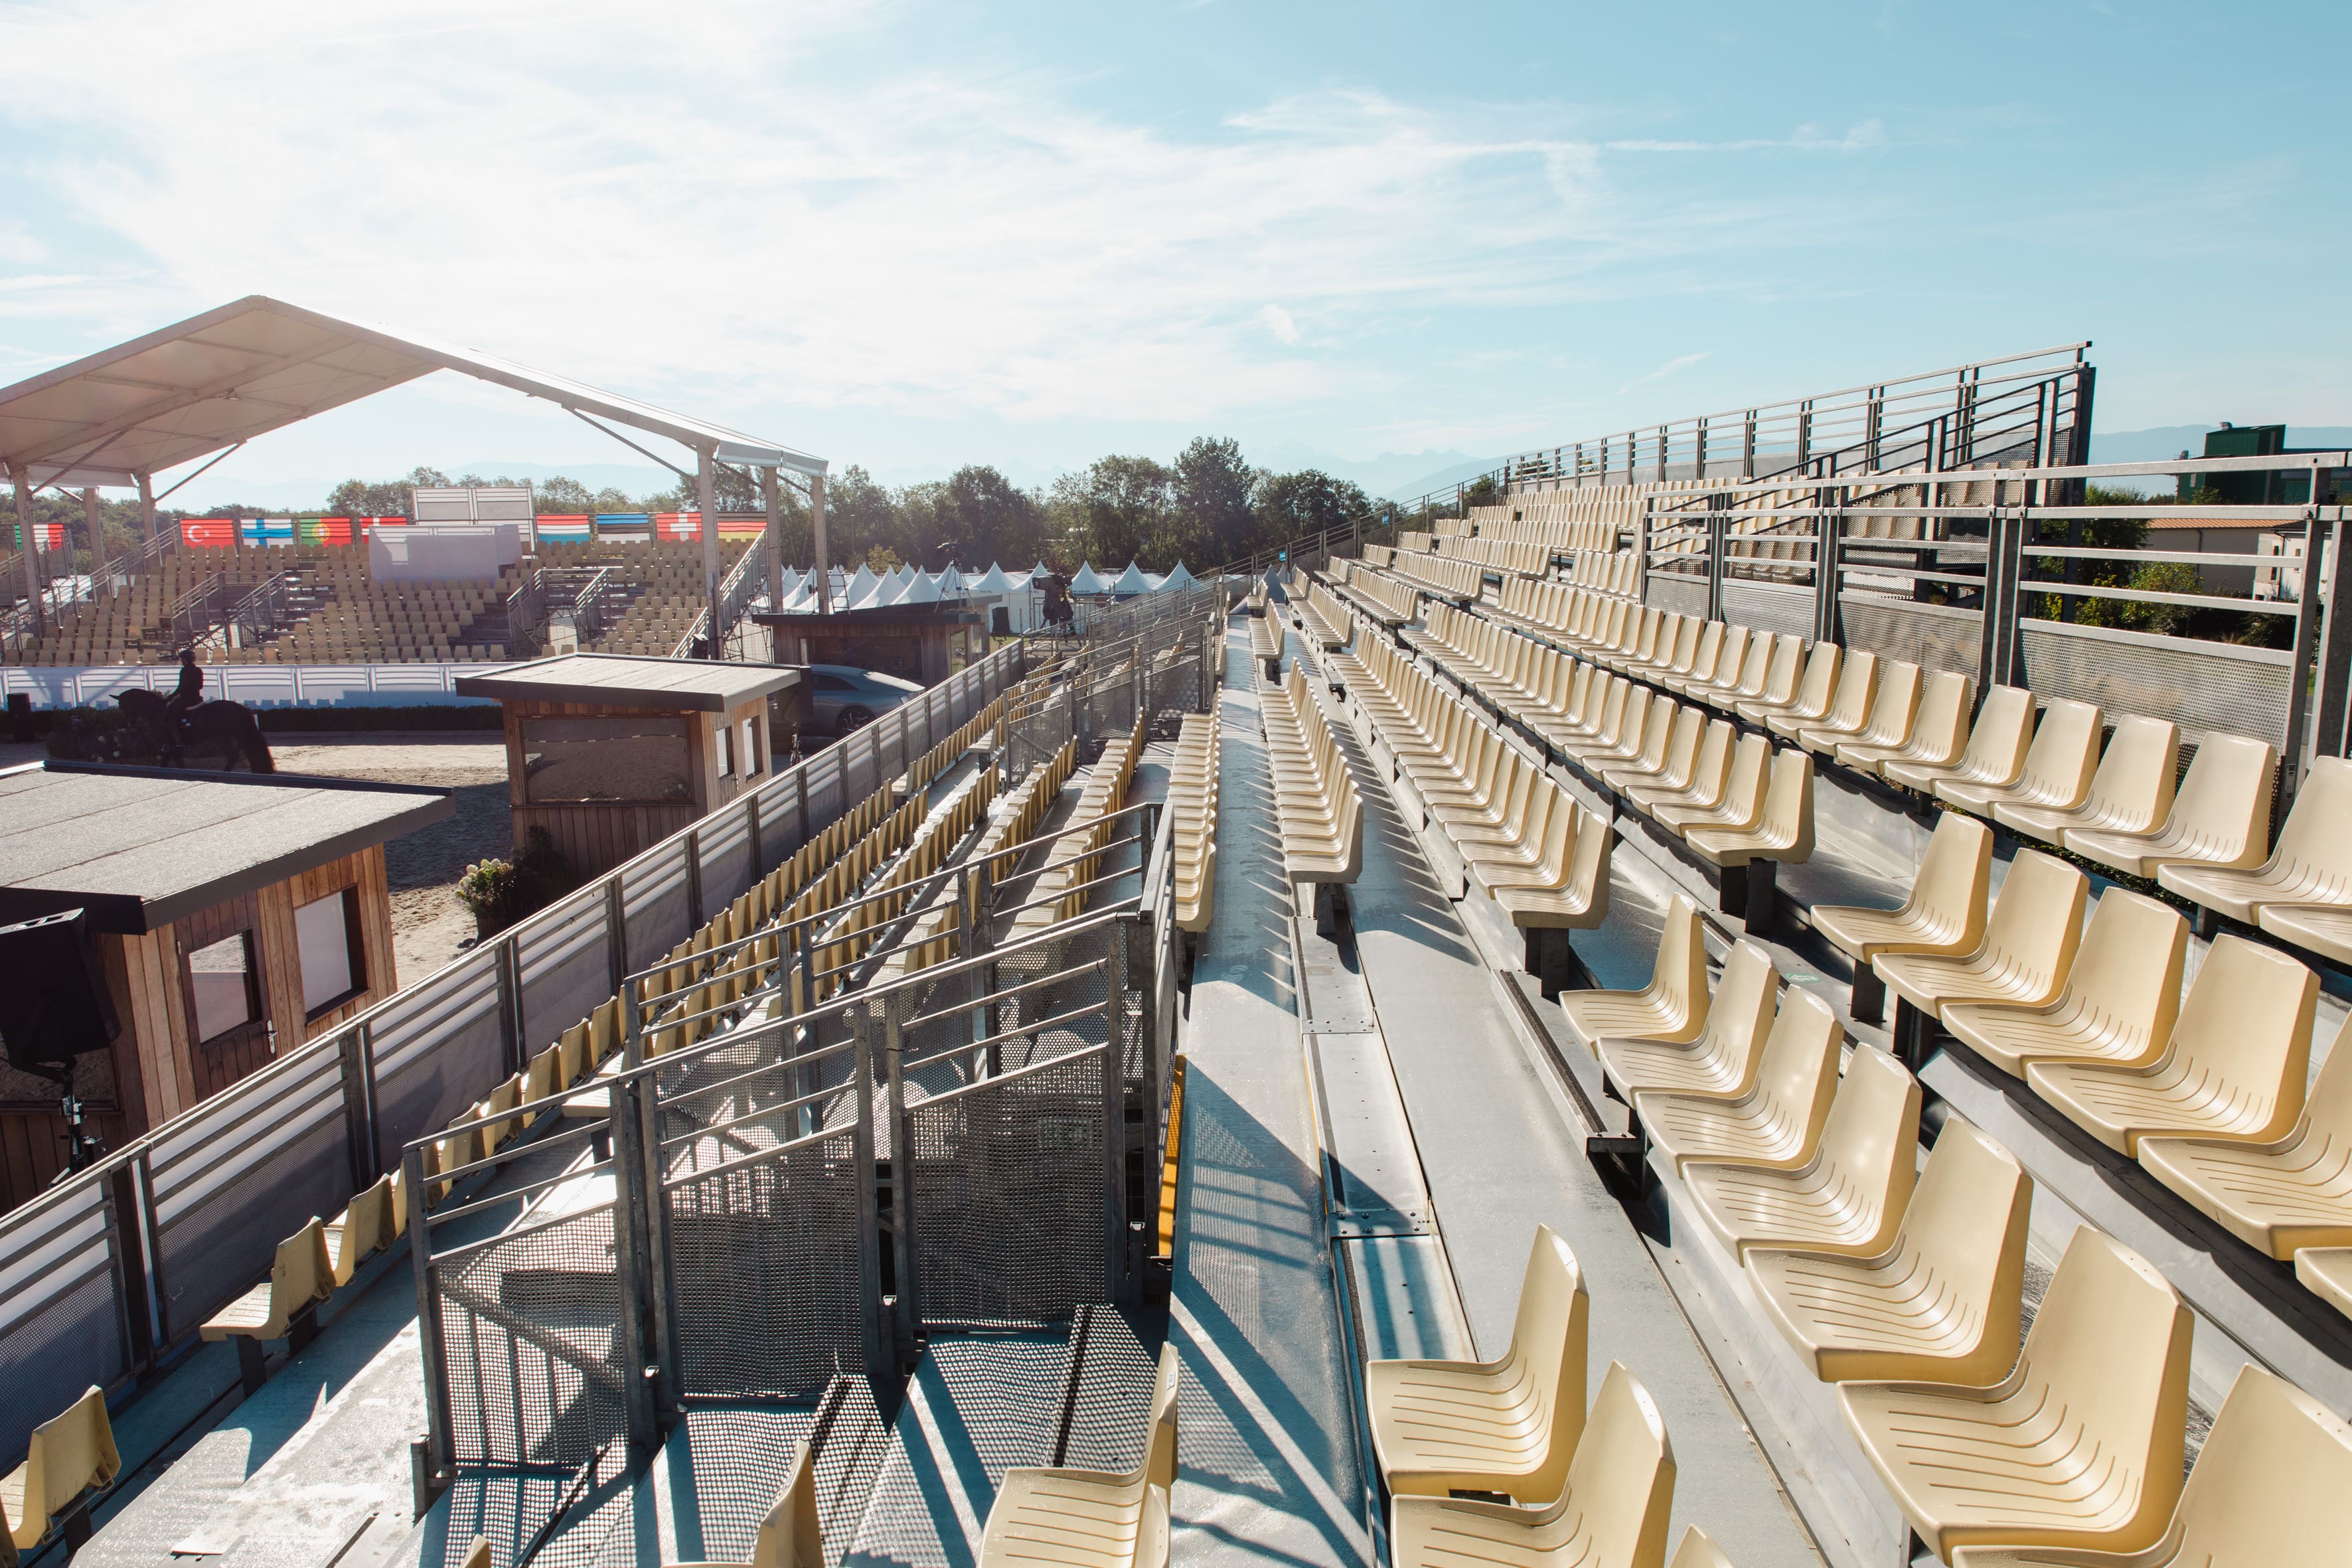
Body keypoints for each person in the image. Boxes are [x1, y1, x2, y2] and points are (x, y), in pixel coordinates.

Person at [161, 647, 203, 747]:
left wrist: (170, 697)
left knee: (171, 717)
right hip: (197, 698)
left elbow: (181, 687)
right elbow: (200, 686)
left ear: (185, 660)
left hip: (186, 699)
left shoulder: (184, 671)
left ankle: (178, 739)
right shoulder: (198, 670)